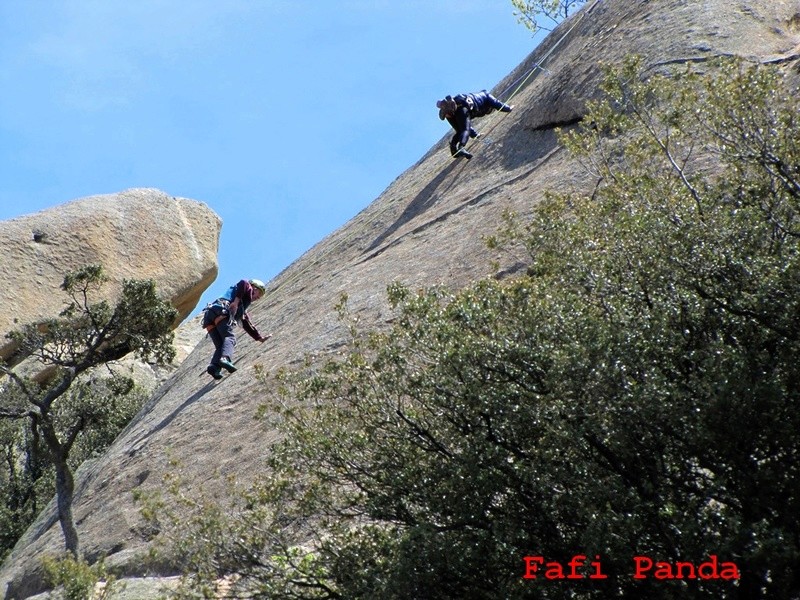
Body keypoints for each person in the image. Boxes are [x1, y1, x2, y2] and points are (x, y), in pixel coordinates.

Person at [202, 278, 271, 380]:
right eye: (258, 294)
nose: (258, 298)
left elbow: (246, 323)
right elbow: (244, 282)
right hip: (221, 311)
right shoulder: (247, 288)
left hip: (210, 317)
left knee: (221, 345)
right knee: (230, 338)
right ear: (254, 288)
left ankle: (214, 367)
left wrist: (259, 338)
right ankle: (225, 358)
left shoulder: (242, 307)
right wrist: (235, 301)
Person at [436, 90, 513, 159]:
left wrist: (475, 135)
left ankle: (454, 150)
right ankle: (461, 148)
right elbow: (497, 104)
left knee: (460, 130)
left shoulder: (451, 108)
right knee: (464, 129)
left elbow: (465, 122)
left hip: (452, 112)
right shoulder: (486, 96)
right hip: (459, 108)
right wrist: (508, 108)